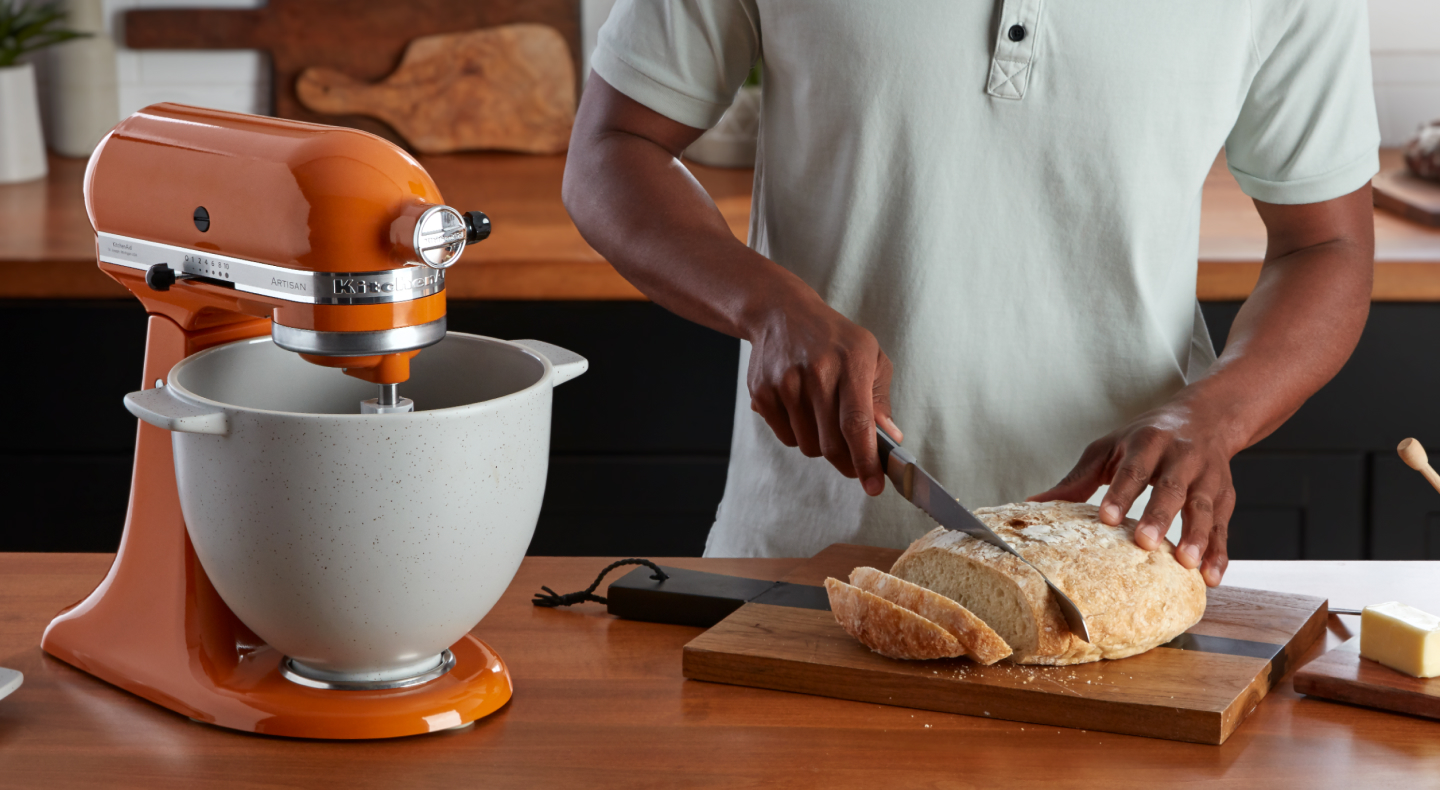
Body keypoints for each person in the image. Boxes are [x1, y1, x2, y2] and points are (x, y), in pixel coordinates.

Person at [563, 1, 1378, 587]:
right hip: (804, 563)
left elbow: (1327, 243)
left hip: (1118, 570)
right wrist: (768, 306)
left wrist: (1217, 414)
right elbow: (613, 146)